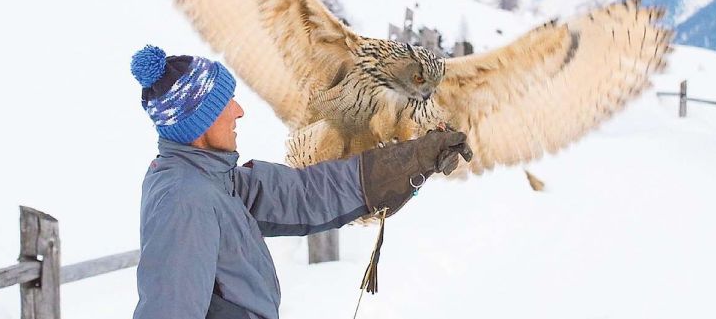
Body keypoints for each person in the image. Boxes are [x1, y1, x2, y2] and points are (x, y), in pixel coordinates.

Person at [129, 45, 472, 319]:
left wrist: (413, 158)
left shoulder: (216, 181)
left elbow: (305, 195)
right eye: (223, 103)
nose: (238, 111)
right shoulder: (185, 200)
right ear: (197, 122)